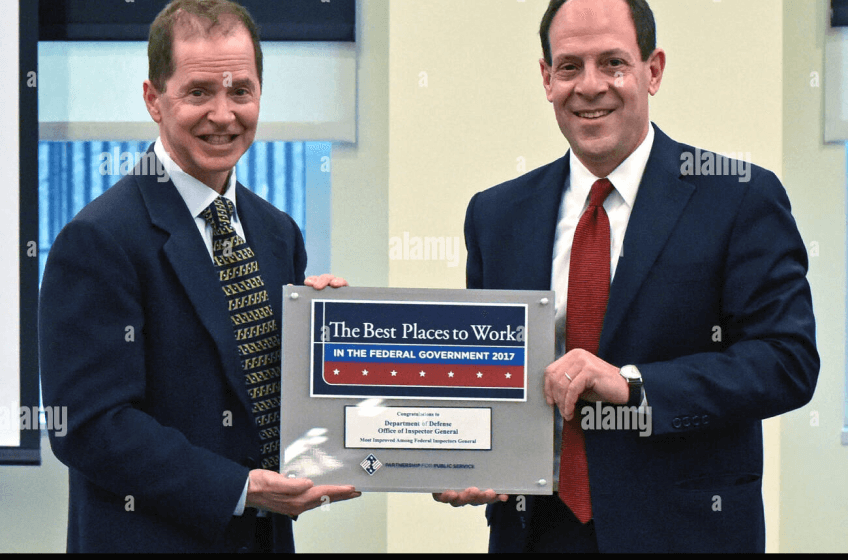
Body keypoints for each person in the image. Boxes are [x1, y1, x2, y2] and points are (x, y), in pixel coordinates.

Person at [433, 0, 819, 553]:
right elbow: (489, 374)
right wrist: (464, 453)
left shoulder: (738, 197)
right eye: (569, 66)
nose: (589, 86)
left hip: (687, 534)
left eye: (612, 62)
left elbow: (787, 361)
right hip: (536, 534)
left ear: (653, 70)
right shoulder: (496, 216)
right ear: (546, 79)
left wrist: (634, 386)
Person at [38, 0, 359, 552]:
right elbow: (89, 426)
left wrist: (326, 342)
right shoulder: (98, 239)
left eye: (241, 92)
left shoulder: (277, 232)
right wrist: (238, 488)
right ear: (152, 100)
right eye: (198, 93)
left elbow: (258, 395)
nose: (223, 114)